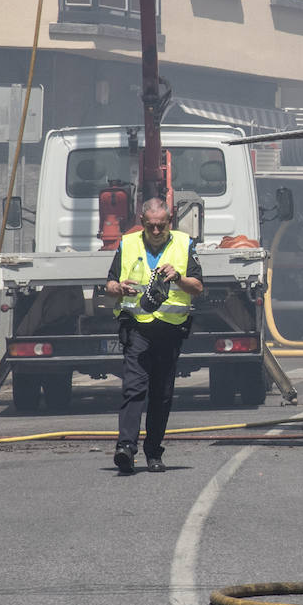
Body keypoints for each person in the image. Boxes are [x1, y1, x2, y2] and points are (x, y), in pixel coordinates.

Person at [104, 199, 204, 474]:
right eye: (151, 226)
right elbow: (110, 283)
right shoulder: (128, 243)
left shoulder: (184, 244)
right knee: (134, 389)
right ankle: (125, 447)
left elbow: (197, 287)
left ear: (170, 222)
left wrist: (178, 277)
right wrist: (118, 287)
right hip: (137, 328)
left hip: (170, 330)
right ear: (142, 222)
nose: (157, 231)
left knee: (161, 395)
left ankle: (154, 452)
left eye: (162, 226)